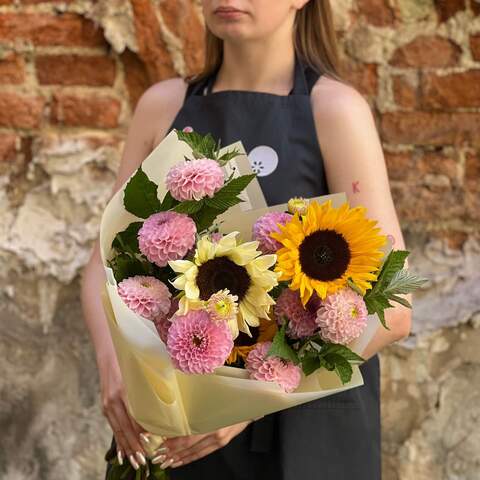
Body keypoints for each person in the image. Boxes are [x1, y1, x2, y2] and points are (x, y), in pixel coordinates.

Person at [80, 0, 412, 478]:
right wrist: (115, 369)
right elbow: (104, 264)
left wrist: (246, 402)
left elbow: (394, 310)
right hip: (177, 423)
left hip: (306, 436)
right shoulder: (162, 106)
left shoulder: (336, 111)